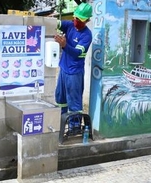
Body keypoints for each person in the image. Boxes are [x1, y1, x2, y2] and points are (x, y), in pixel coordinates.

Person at [54, 3, 93, 133]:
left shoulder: (86, 35)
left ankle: (74, 129)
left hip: (74, 73)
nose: (76, 22)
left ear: (87, 20)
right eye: (75, 18)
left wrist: (64, 45)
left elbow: (77, 53)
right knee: (60, 99)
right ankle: (61, 125)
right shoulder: (70, 25)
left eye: (80, 20)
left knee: (74, 103)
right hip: (63, 69)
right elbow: (56, 23)